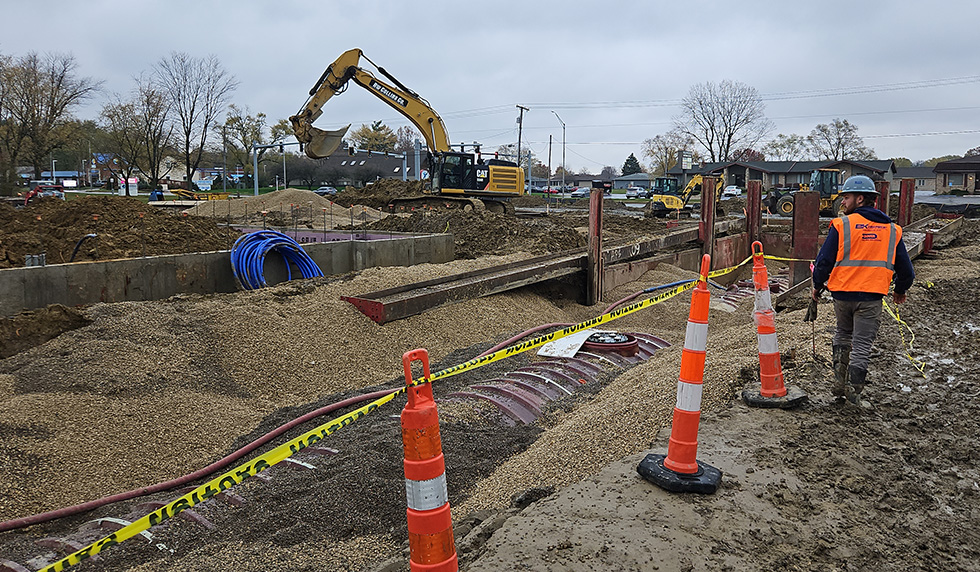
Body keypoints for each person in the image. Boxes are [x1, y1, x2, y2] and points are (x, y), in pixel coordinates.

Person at [811, 175, 914, 406]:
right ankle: (854, 394)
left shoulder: (842, 225)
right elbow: (907, 271)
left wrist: (817, 286)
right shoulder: (892, 230)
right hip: (871, 298)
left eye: (846, 197)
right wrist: (900, 290)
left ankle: (838, 384)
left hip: (842, 296)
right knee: (862, 345)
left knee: (843, 334)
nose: (843, 203)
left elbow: (823, 261)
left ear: (860, 198)